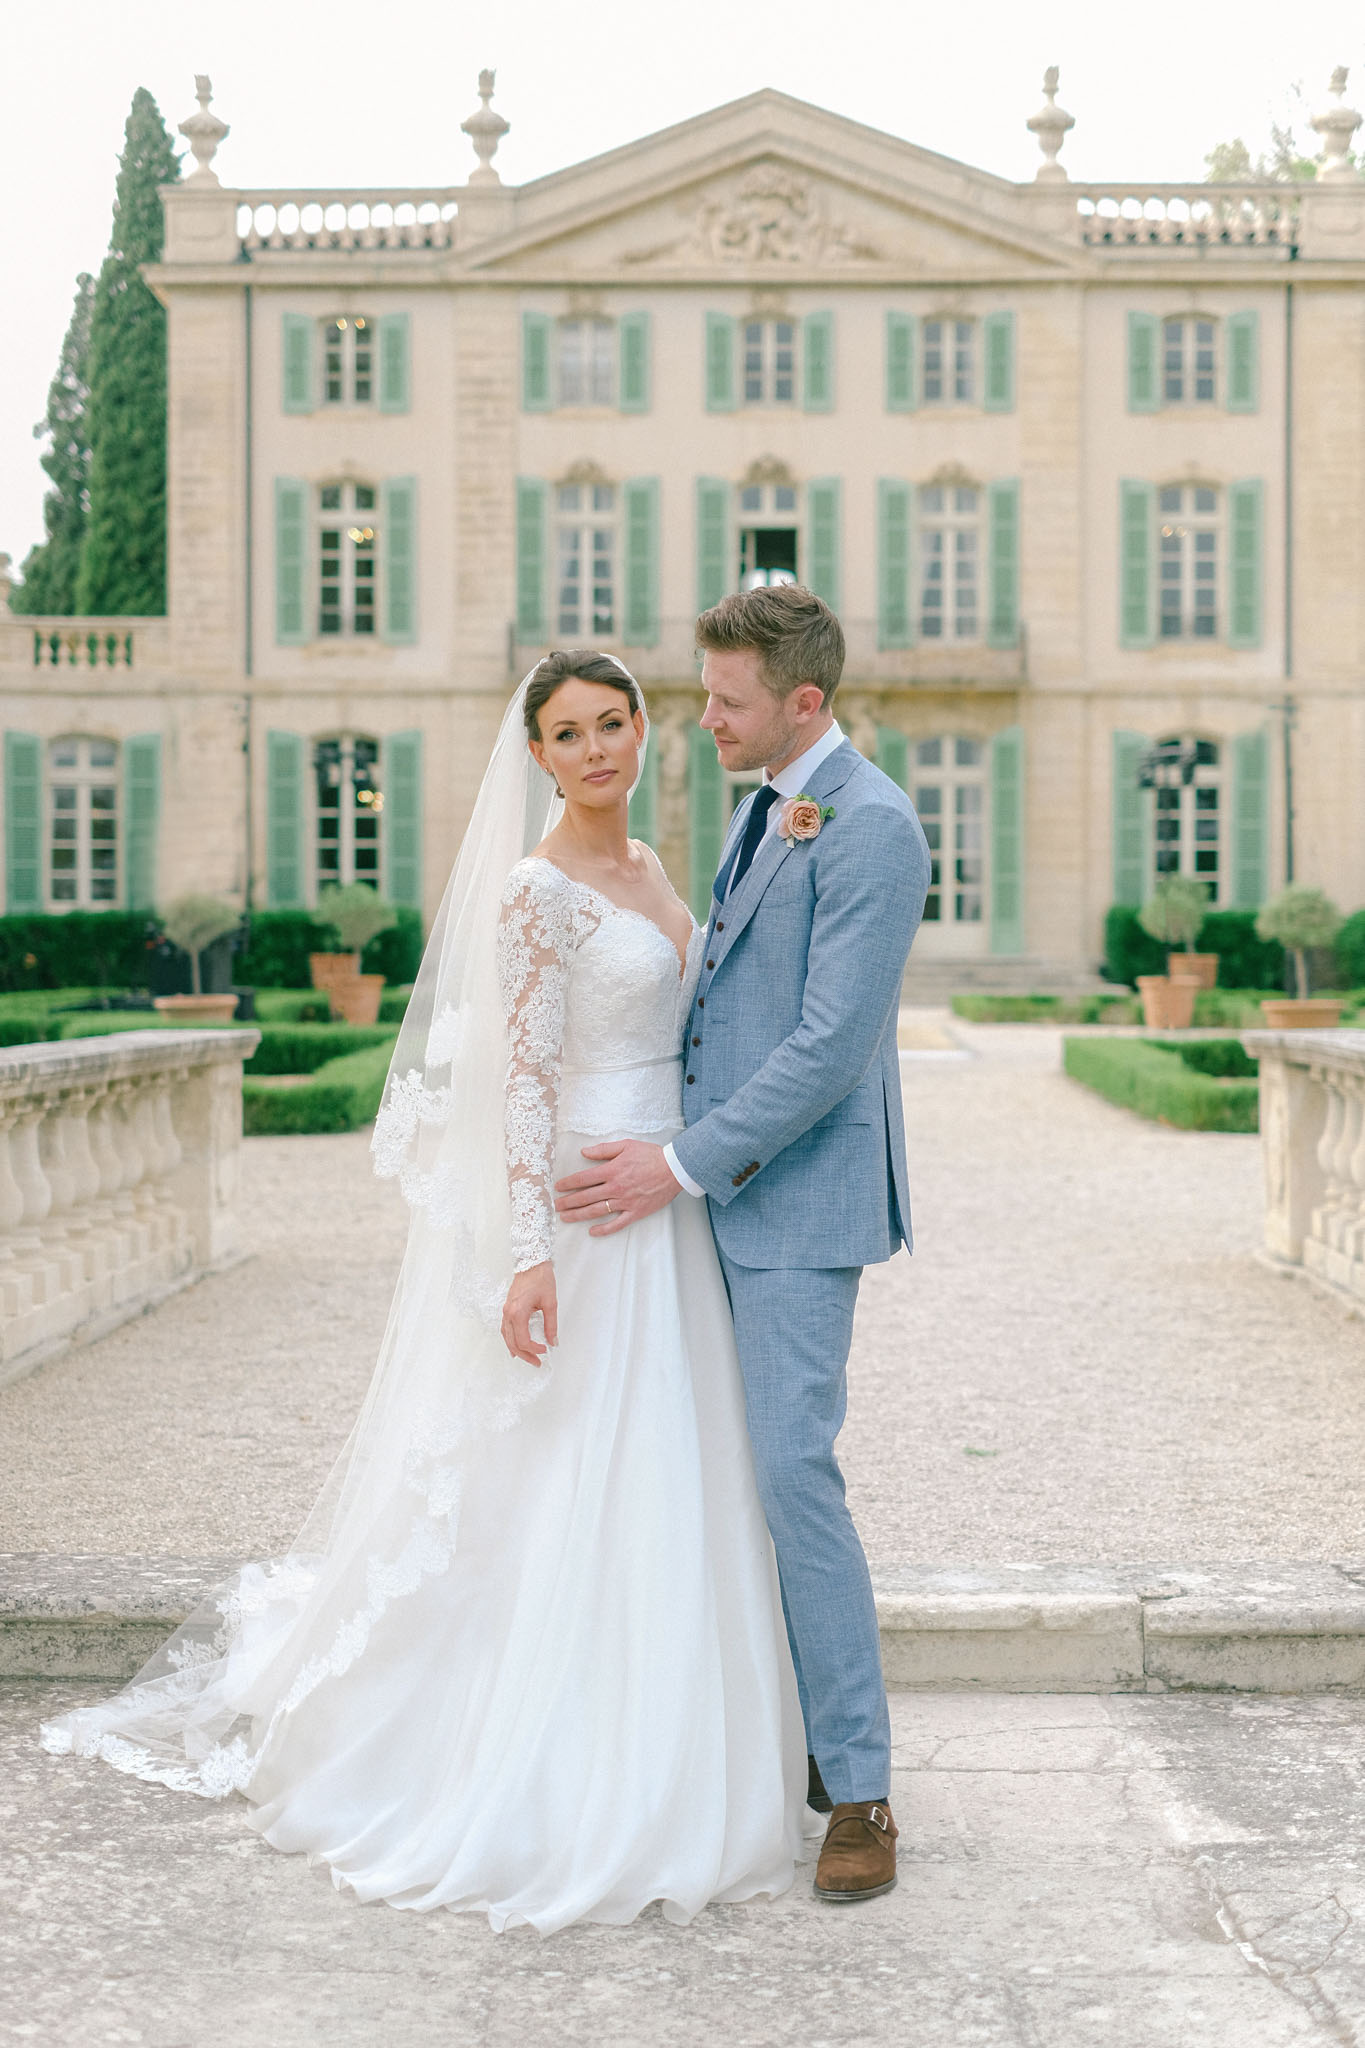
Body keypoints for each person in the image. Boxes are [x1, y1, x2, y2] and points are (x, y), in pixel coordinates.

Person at [40, 650, 814, 1934]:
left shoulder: (662, 871)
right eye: (568, 734)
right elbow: (517, 1083)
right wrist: (523, 1251)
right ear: (539, 758)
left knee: (675, 1473)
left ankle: (685, 1750)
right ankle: (528, 1765)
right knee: (568, 1477)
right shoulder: (533, 891)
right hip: (581, 1211)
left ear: (643, 732)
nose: (599, 749)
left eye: (615, 723)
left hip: (666, 1207)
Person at [553, 586, 930, 1904]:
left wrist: (674, 1159)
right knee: (708, 1472)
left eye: (725, 701)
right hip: (715, 1194)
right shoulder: (772, 803)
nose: (699, 719)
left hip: (795, 1205)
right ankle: (771, 1740)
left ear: (804, 704)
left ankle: (864, 1788)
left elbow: (830, 1047)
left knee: (789, 1476)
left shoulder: (872, 827)